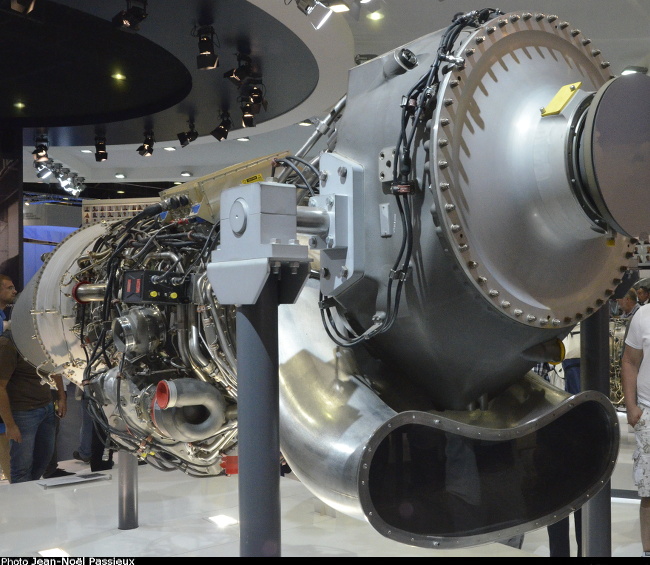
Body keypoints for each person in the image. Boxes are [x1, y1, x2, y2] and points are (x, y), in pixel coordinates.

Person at [0, 321, 68, 483]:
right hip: (23, 412)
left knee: (44, 459)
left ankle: (30, 494)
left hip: (46, 408)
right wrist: (10, 424)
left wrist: (61, 397)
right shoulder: (9, 343)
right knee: (21, 467)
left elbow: (53, 366)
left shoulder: (40, 339)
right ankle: (23, 503)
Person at [621, 301, 650, 557]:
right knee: (649, 490)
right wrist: (631, 407)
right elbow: (630, 361)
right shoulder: (644, 314)